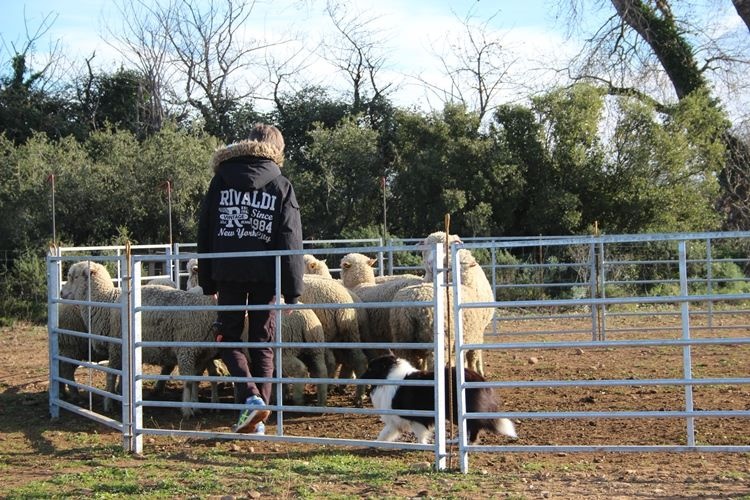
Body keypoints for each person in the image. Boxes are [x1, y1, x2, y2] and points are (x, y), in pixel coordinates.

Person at [197, 123, 304, 435]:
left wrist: (208, 281)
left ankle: (251, 399)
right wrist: (293, 290)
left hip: (227, 271)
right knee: (262, 342)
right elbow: (290, 237)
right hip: (265, 275)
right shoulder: (281, 184)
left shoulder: (220, 181)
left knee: (226, 336)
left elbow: (205, 230)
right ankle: (259, 415)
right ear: (277, 150)